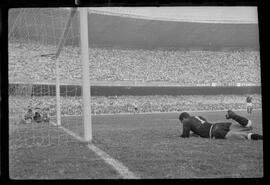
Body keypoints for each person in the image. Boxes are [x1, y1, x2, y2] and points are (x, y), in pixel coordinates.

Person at [178, 110, 262, 140]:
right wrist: (195, 134)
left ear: (183, 119)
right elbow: (200, 129)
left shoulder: (186, 121)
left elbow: (185, 136)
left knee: (244, 136)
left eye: (181, 122)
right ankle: (234, 116)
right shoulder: (198, 117)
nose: (182, 124)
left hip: (214, 132)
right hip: (218, 125)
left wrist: (181, 135)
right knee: (249, 126)